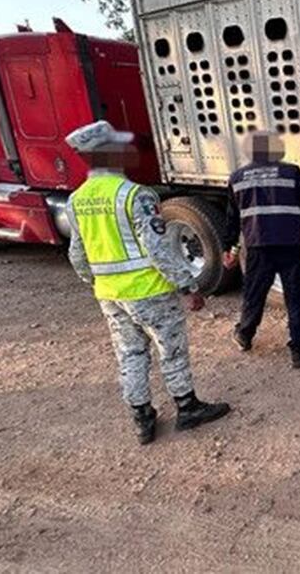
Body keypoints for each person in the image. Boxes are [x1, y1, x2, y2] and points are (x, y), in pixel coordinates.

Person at [65, 121, 231, 445]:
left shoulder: (77, 200)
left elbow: (77, 254)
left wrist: (97, 281)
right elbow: (158, 249)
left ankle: (142, 418)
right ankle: (187, 408)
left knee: (130, 353)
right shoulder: (135, 195)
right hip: (149, 291)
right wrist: (188, 286)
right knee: (171, 350)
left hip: (110, 294)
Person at [221, 133, 300, 368]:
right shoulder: (292, 172)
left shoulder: (237, 178)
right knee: (294, 297)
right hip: (291, 244)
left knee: (255, 294)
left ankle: (244, 335)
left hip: (258, 246)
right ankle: (298, 350)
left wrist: (229, 248)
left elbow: (232, 219)